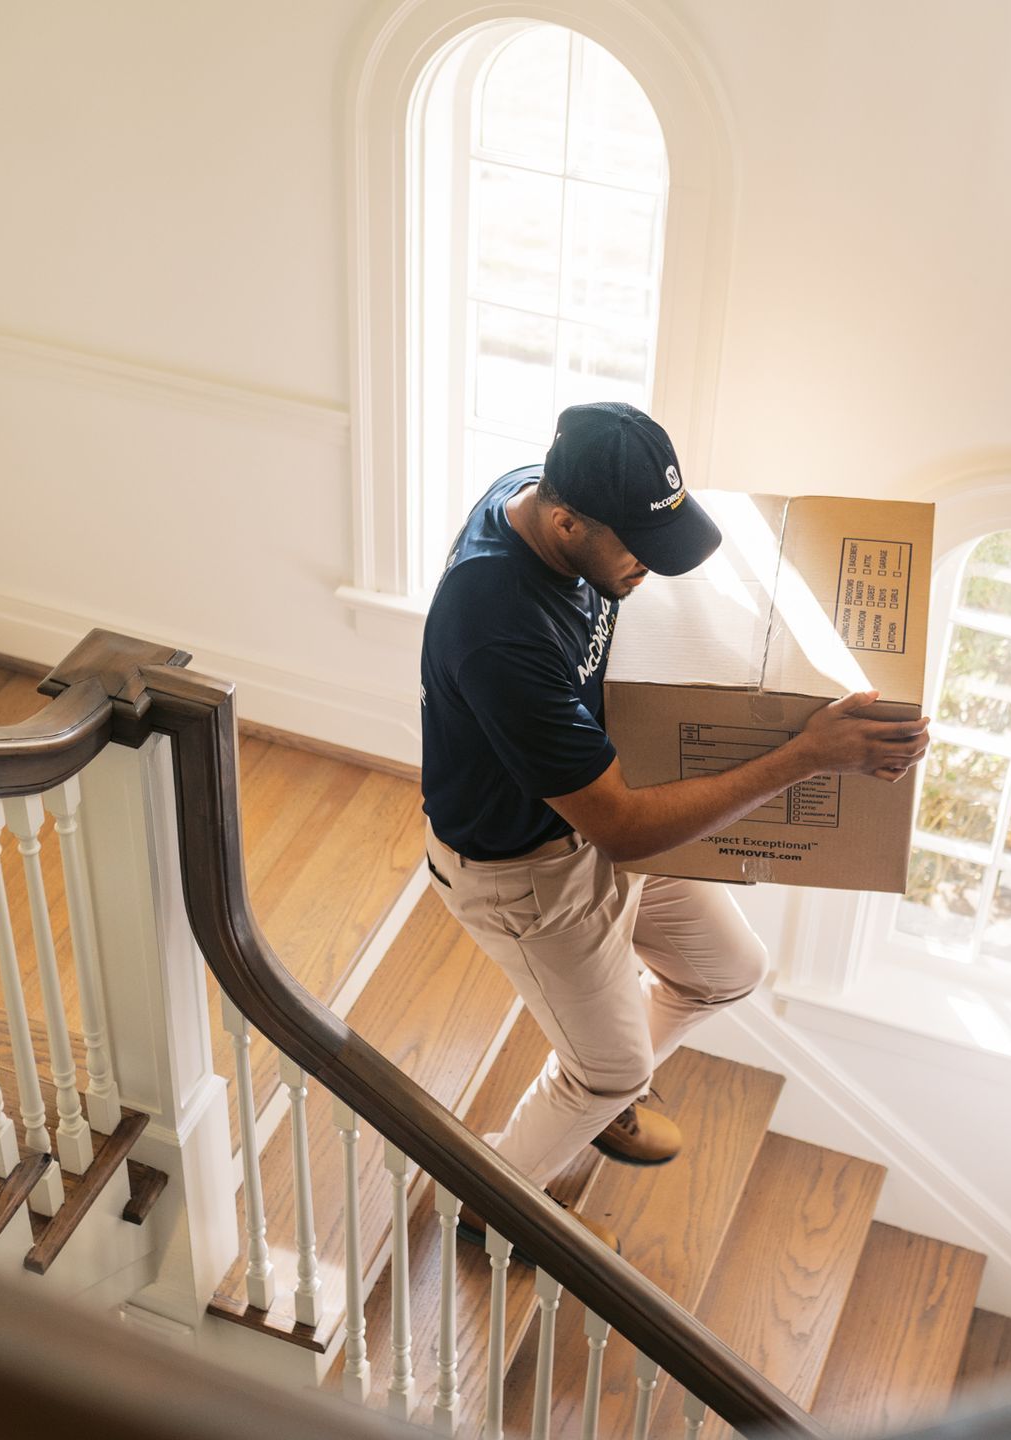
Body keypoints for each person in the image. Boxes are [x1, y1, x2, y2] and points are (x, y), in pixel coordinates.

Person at [419, 401, 930, 1252]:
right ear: (564, 520)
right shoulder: (499, 629)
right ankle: (488, 1200)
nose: (649, 570)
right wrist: (808, 755)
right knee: (611, 1065)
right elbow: (621, 827)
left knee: (729, 970)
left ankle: (602, 1092)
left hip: (591, 819)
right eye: (636, 550)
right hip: (527, 873)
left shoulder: (539, 499)